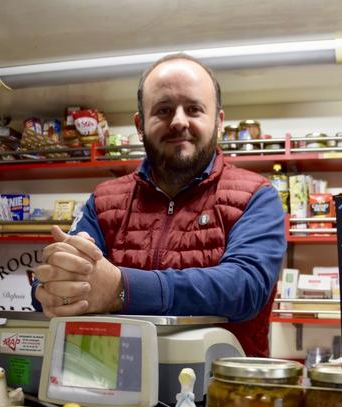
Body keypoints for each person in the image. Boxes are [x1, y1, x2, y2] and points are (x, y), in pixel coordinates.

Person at [32, 53, 286, 357]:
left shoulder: (257, 195)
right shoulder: (103, 200)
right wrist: (56, 280)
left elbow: (244, 288)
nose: (178, 121)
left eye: (193, 109)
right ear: (140, 124)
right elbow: (47, 289)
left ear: (218, 121)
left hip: (220, 395)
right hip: (112, 391)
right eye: (163, 110)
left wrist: (121, 288)